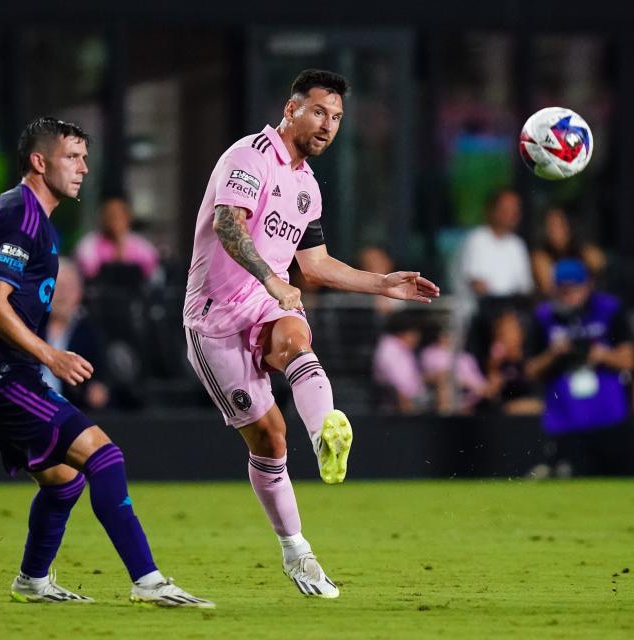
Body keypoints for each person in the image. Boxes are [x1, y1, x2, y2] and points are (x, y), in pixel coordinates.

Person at [182, 69, 440, 598]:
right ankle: (296, 551)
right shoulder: (249, 156)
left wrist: (381, 284)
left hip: (267, 303)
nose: (328, 126)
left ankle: (325, 435)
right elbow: (229, 224)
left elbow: (317, 265)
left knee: (298, 339)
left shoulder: (307, 185)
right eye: (320, 112)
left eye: (338, 118)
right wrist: (273, 279)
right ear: (292, 108)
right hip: (213, 318)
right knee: (270, 440)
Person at [0, 117, 212, 607]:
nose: (83, 168)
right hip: (0, 372)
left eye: (83, 157)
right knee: (104, 456)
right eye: (72, 157)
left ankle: (33, 581)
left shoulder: (34, 217)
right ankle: (148, 580)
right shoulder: (20, 216)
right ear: (39, 161)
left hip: (7, 371)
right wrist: (49, 353)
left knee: (63, 481)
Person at [526, 259, 634, 477]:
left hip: (609, 414)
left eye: (574, 288)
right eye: (563, 289)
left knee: (622, 477)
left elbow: (630, 360)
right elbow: (530, 370)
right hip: (566, 417)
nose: (569, 294)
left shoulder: (608, 309)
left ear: (588, 285)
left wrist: (601, 354)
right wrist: (554, 353)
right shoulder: (544, 316)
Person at [40, 258, 111, 411]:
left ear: (79, 292)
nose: (62, 294)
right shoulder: (31, 328)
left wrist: (98, 389)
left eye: (68, 287)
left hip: (74, 411)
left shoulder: (91, 331)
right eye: (57, 287)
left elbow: (101, 376)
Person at [457, 188, 533, 303]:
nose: (513, 213)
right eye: (507, 208)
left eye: (515, 208)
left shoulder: (517, 244)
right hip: (480, 313)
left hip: (512, 310)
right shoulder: (476, 240)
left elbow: (525, 288)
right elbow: (478, 286)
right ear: (492, 210)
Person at [74, 193, 160, 282]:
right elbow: (89, 270)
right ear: (103, 219)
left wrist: (121, 244)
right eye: (111, 216)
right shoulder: (90, 243)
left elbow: (151, 266)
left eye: (120, 216)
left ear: (128, 219)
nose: (116, 221)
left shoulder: (140, 244)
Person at [531, 207, 606, 297]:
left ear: (568, 227)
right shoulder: (540, 257)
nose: (553, 231)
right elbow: (547, 287)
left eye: (558, 226)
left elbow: (600, 264)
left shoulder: (583, 250)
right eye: (550, 226)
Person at [486, 310, 542, 415]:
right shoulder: (497, 364)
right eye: (499, 331)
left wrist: (515, 407)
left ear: (521, 333)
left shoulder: (533, 362)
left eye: (508, 330)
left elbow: (542, 403)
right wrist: (492, 368)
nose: (503, 335)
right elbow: (491, 399)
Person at [372, 311, 427, 414]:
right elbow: (395, 381)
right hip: (394, 399)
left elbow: (412, 379)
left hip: (415, 396)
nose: (418, 337)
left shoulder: (405, 349)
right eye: (414, 333)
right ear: (402, 332)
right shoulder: (388, 348)